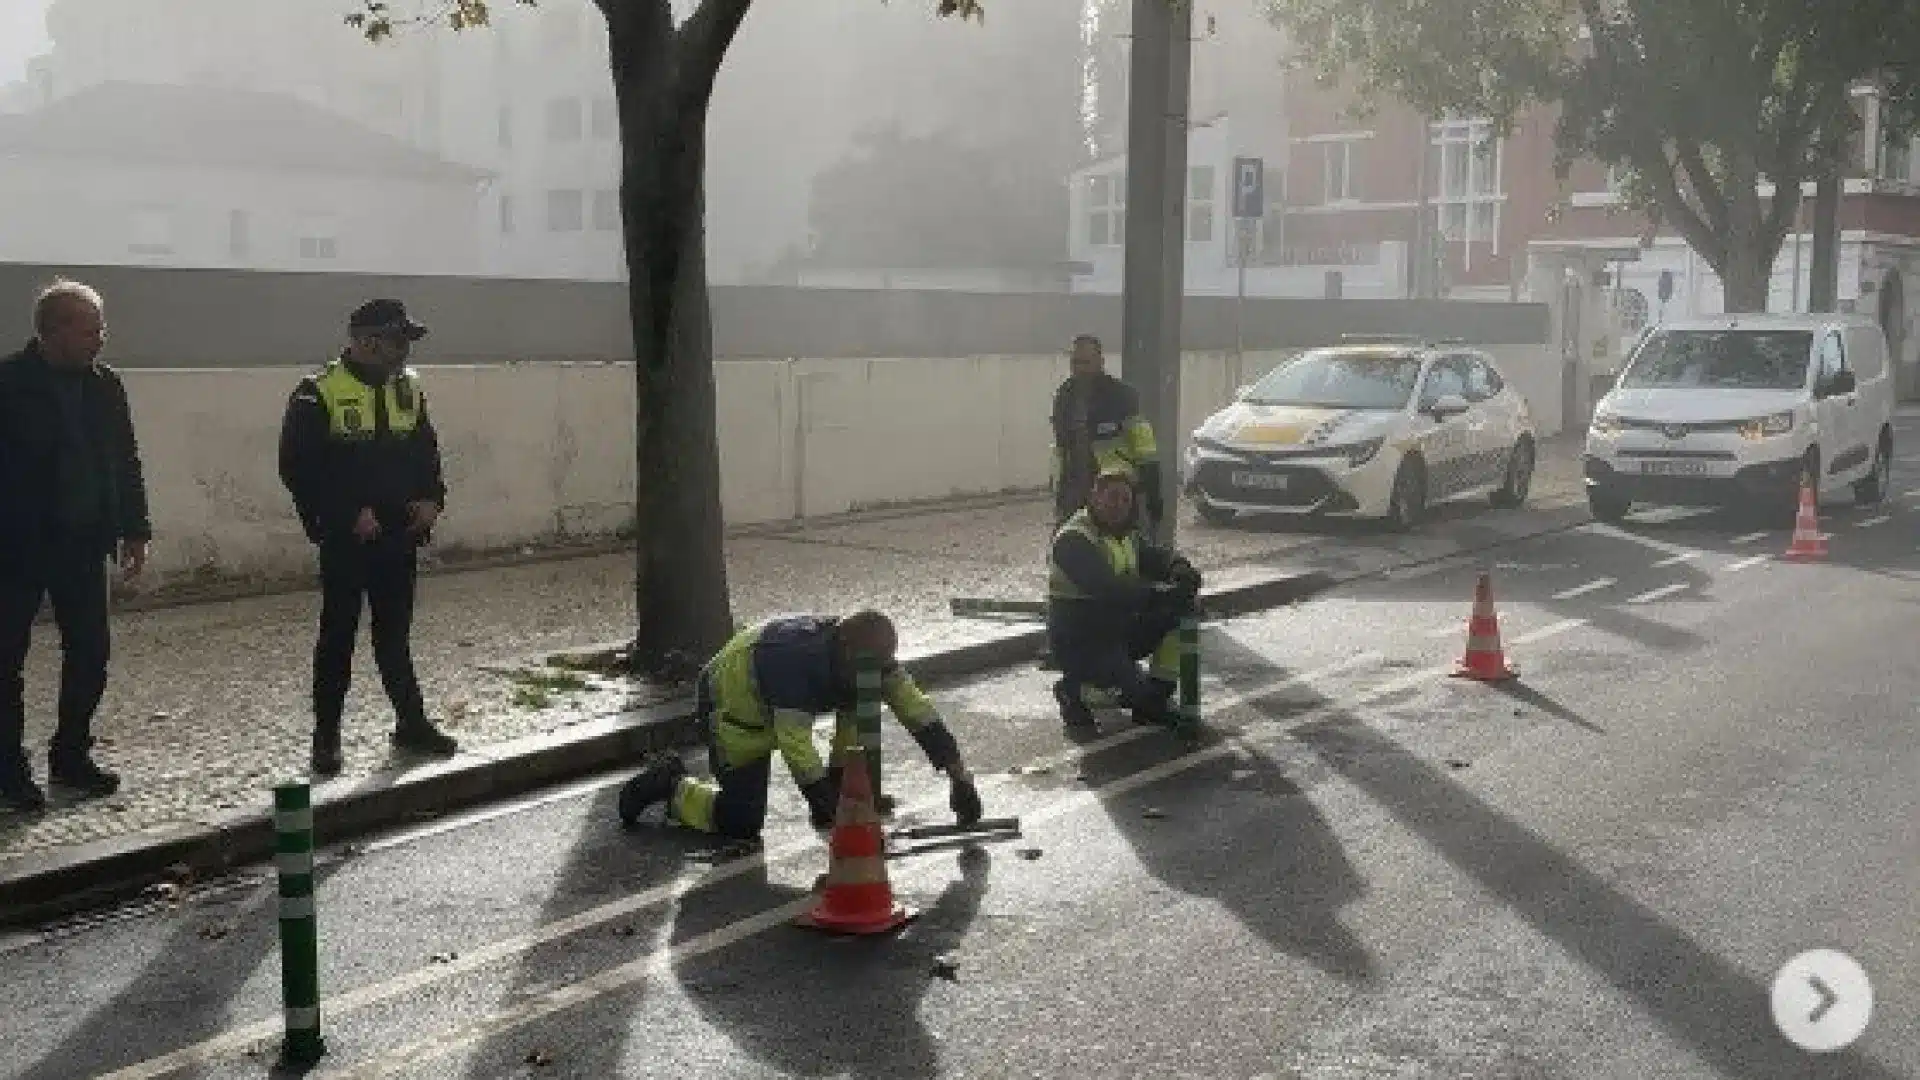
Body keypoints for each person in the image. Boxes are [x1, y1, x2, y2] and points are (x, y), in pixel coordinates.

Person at [278, 299, 459, 777]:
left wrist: (432, 499)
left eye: (406, 342)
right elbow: (298, 468)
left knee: (394, 636)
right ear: (366, 342)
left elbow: (426, 451)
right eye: (397, 341)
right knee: (337, 638)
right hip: (347, 542)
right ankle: (326, 739)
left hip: (398, 536)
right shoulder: (317, 393)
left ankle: (411, 724)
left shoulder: (408, 388)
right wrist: (343, 516)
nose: (404, 351)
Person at [616, 610, 984, 841]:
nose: (870, 676)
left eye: (878, 668)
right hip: (734, 712)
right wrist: (831, 811)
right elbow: (796, 746)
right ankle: (672, 786)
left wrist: (959, 776)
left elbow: (916, 710)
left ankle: (844, 792)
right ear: (841, 648)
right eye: (860, 669)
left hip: (775, 706)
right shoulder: (792, 663)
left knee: (860, 706)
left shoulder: (868, 656)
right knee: (741, 823)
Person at [0, 280, 151, 810]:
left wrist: (136, 529)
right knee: (5, 662)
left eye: (101, 327)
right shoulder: (8, 383)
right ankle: (9, 772)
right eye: (91, 329)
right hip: (16, 546)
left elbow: (126, 458)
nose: (101, 339)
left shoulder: (106, 385)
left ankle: (70, 756)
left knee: (90, 653)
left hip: (84, 543)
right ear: (54, 330)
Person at [1046, 465, 1202, 731]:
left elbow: (1156, 556)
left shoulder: (1127, 533)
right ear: (1095, 498)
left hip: (1116, 631)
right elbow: (1110, 590)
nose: (1118, 505)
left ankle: (1155, 693)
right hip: (1081, 641)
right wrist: (1162, 594)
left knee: (1183, 612)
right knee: (1123, 694)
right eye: (1112, 497)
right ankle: (1073, 690)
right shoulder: (1073, 539)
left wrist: (1181, 570)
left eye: (1125, 499)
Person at [1050, 333, 1162, 528]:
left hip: (1114, 495)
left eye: (1086, 362)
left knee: (1113, 551)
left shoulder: (1121, 396)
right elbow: (1061, 450)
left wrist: (1153, 494)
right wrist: (1059, 491)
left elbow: (1145, 449)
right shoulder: (1064, 396)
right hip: (1074, 492)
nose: (1080, 369)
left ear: (1101, 361)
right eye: (1075, 362)